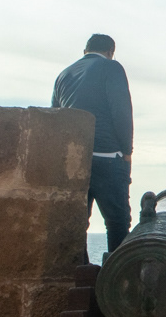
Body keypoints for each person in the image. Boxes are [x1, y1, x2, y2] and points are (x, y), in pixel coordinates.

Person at [52, 34, 134, 252]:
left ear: (85, 50)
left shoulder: (63, 75)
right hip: (107, 158)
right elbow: (122, 112)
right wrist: (127, 152)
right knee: (117, 221)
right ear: (110, 52)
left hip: (74, 161)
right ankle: (117, 277)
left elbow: (55, 118)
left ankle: (79, 272)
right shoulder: (112, 67)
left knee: (77, 223)